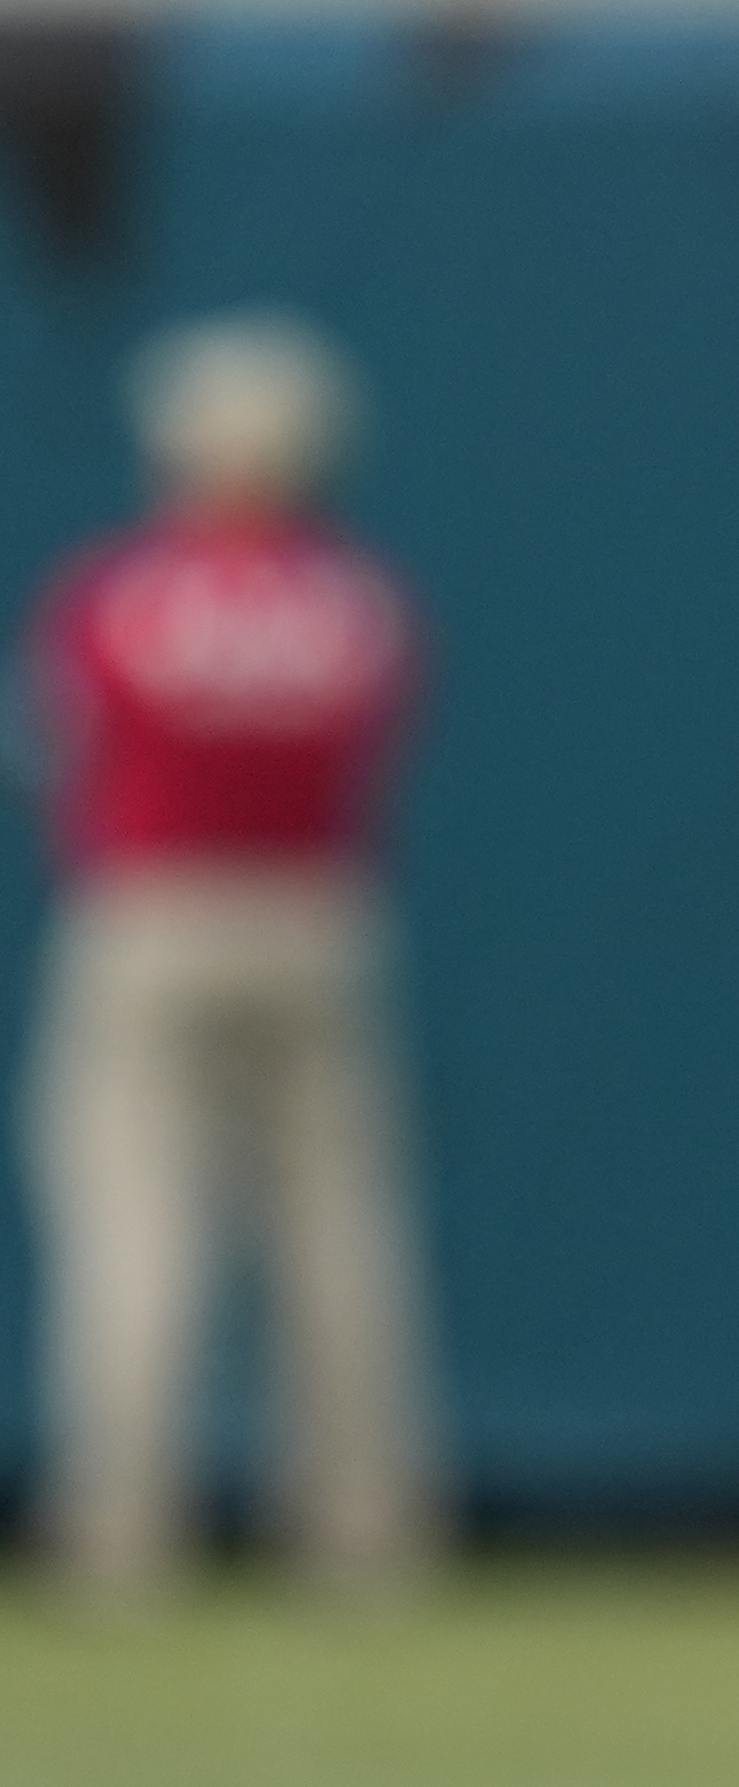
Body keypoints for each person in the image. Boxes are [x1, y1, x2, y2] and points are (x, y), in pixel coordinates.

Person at [18, 310, 443, 1601]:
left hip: (150, 912)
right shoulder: (356, 600)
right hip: (318, 916)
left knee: (134, 1224)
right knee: (341, 1232)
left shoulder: (118, 595)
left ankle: (123, 1531)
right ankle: (364, 1531)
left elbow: (61, 750)